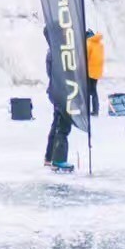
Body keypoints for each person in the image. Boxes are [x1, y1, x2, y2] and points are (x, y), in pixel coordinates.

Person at [43, 25, 73, 170]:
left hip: (56, 92)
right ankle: (59, 159)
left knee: (56, 123)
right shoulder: (58, 52)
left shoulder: (53, 51)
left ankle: (49, 157)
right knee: (63, 125)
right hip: (61, 92)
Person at [86, 30, 105, 116]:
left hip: (90, 71)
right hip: (97, 71)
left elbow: (85, 58)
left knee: (90, 91)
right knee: (93, 91)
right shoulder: (100, 44)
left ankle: (92, 110)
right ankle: (95, 109)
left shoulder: (89, 43)